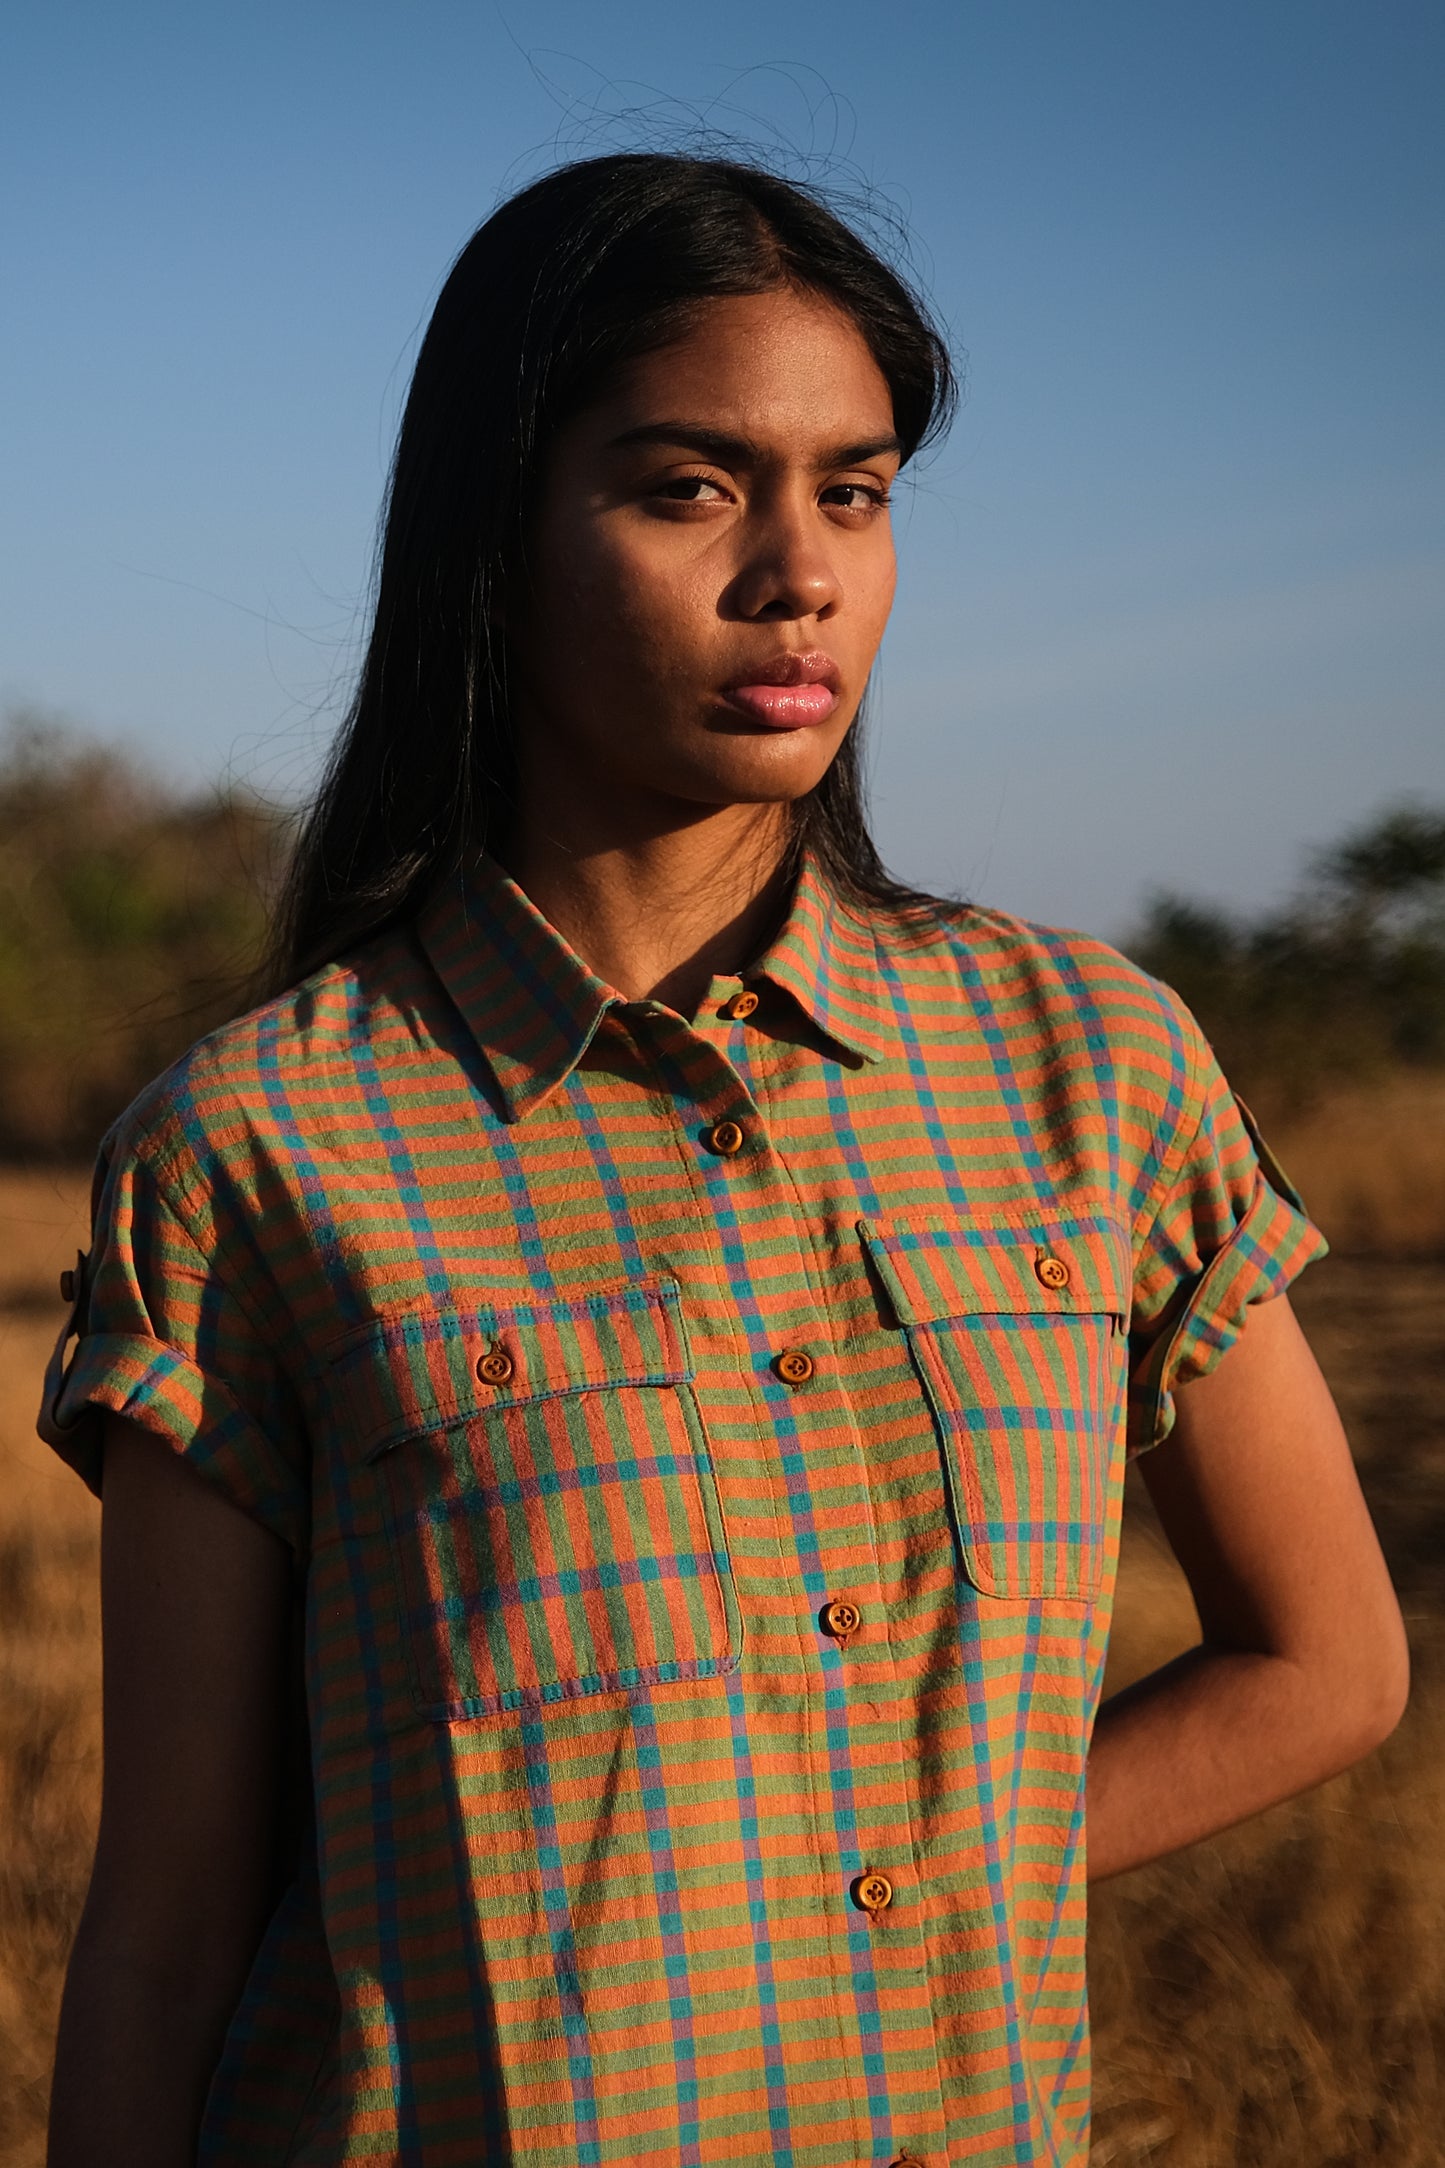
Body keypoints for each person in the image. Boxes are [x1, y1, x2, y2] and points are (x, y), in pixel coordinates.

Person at [40, 152, 1407, 2168]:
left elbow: (1330, 1661)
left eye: (852, 490)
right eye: (690, 487)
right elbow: (164, 1928)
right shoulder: (261, 1149)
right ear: (494, 532)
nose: (803, 572)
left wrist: (935, 1859)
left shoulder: (1087, 1063)